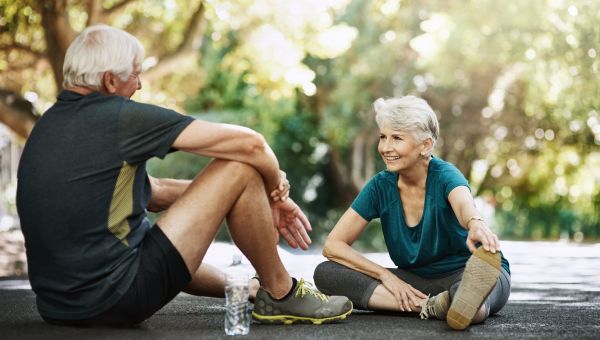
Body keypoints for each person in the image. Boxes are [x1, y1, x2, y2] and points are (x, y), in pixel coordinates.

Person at [16, 24, 352, 327]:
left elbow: (157, 192)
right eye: (136, 74)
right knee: (241, 167)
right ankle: (281, 292)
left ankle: (250, 289)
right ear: (109, 81)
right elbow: (252, 145)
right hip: (117, 298)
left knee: (216, 192)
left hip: (59, 307)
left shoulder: (49, 126)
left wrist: (239, 198)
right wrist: (277, 192)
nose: (140, 84)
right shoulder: (119, 118)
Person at [313, 96, 510, 330]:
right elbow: (333, 245)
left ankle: (464, 304)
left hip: (464, 272)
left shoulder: (446, 175)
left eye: (397, 138)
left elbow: (463, 203)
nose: (386, 148)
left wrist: (475, 223)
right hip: (416, 280)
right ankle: (434, 306)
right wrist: (386, 276)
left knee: (469, 297)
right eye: (383, 137)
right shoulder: (380, 186)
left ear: (425, 145)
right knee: (326, 273)